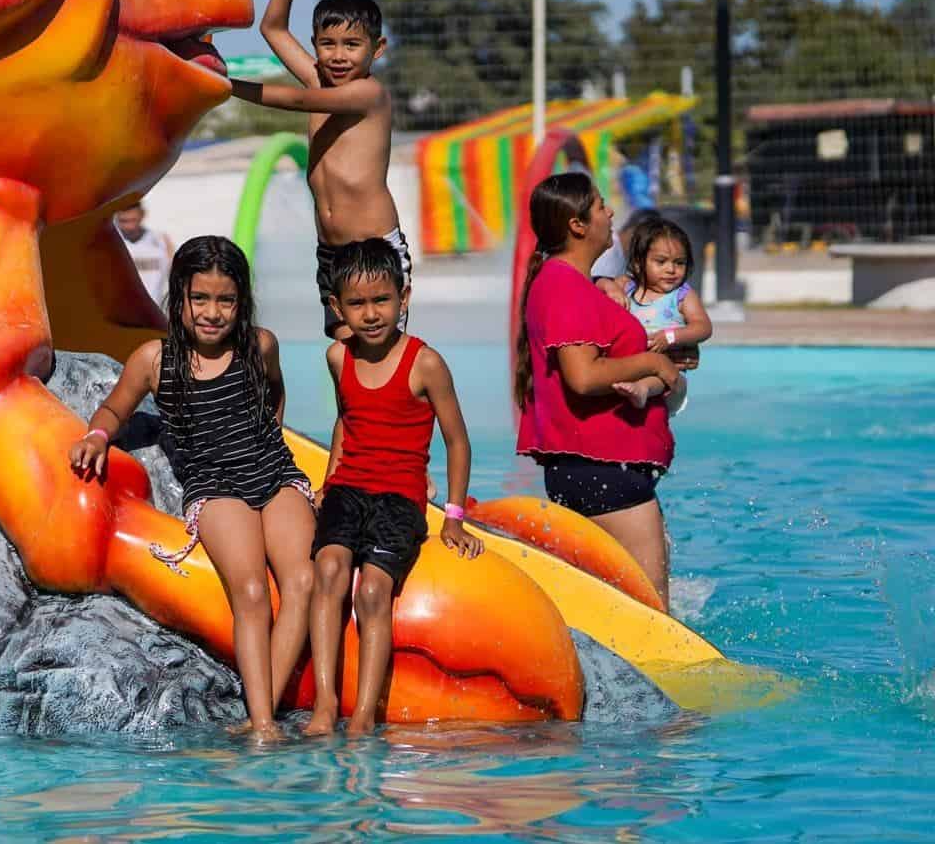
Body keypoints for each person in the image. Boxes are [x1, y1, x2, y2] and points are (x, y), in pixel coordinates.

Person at [68, 236, 316, 739]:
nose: (212, 312)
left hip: (275, 475)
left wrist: (273, 433)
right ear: (178, 296)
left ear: (241, 302)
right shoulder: (155, 361)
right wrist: (97, 434)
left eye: (226, 300)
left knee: (303, 581)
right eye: (199, 299)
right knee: (250, 592)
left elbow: (276, 390)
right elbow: (116, 408)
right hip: (216, 485)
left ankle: (261, 707)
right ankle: (265, 722)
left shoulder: (259, 345)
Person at [305, 239, 482, 737]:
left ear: (403, 298)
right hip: (348, 488)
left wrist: (452, 516)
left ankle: (363, 714)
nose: (371, 314)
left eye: (381, 300)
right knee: (329, 569)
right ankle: (324, 705)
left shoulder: (425, 363)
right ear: (338, 308)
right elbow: (347, 420)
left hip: (399, 498)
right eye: (357, 304)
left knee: (374, 592)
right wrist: (327, 481)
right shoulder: (339, 358)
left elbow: (457, 440)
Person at [229, 0, 412, 340]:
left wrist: (226, 83)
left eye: (352, 45)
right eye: (327, 45)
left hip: (374, 249)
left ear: (377, 49)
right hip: (331, 252)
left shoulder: (369, 94)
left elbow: (294, 99)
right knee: (341, 353)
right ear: (315, 44)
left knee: (380, 361)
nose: (338, 55)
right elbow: (272, 29)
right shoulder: (320, 80)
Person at [514, 172, 681, 609]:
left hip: (597, 471)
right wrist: (653, 363)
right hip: (604, 471)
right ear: (577, 225)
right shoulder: (564, 286)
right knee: (655, 616)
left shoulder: (569, 283)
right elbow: (582, 376)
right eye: (601, 206)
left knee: (617, 612)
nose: (610, 214)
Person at [609, 217, 713, 412]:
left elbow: (703, 327)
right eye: (661, 261)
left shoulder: (682, 295)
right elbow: (598, 287)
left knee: (662, 373)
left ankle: (642, 389)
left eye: (679, 263)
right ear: (639, 263)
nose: (671, 270)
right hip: (631, 364)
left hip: (667, 370)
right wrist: (607, 285)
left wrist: (671, 337)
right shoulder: (626, 287)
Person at [114, 201, 175, 306]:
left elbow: (175, 276)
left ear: (142, 215)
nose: (130, 227)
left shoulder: (161, 241)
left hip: (154, 311)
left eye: (134, 220)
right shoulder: (111, 242)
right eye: (124, 221)